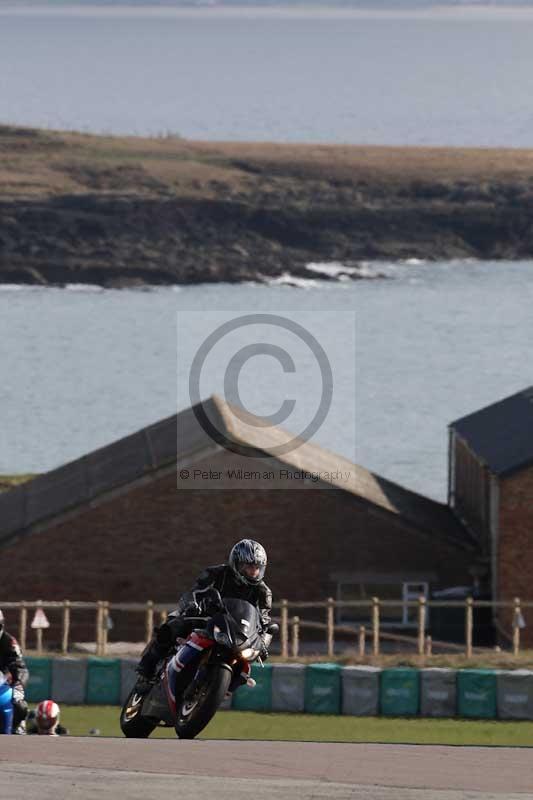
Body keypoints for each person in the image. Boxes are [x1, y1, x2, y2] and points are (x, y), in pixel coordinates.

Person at [135, 539, 272, 694]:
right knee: (172, 626)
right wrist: (193, 603)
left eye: (257, 568)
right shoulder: (217, 573)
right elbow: (196, 590)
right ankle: (146, 669)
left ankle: (220, 690)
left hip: (236, 632)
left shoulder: (263, 592)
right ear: (236, 564)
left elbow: (264, 620)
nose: (253, 572)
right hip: (206, 617)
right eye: (248, 567)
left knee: (244, 668)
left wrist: (263, 644)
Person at [0, 608, 29, 734]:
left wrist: (18, 684)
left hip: (5, 685)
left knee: (19, 705)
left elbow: (19, 667)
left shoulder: (9, 642)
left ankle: (18, 727)